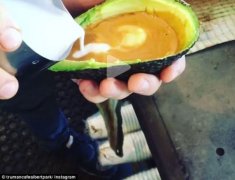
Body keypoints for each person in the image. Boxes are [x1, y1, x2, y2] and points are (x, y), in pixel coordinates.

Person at [0, 0, 186, 178]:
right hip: (15, 69)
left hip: (49, 27)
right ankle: (60, 141)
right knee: (36, 107)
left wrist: (120, 59)